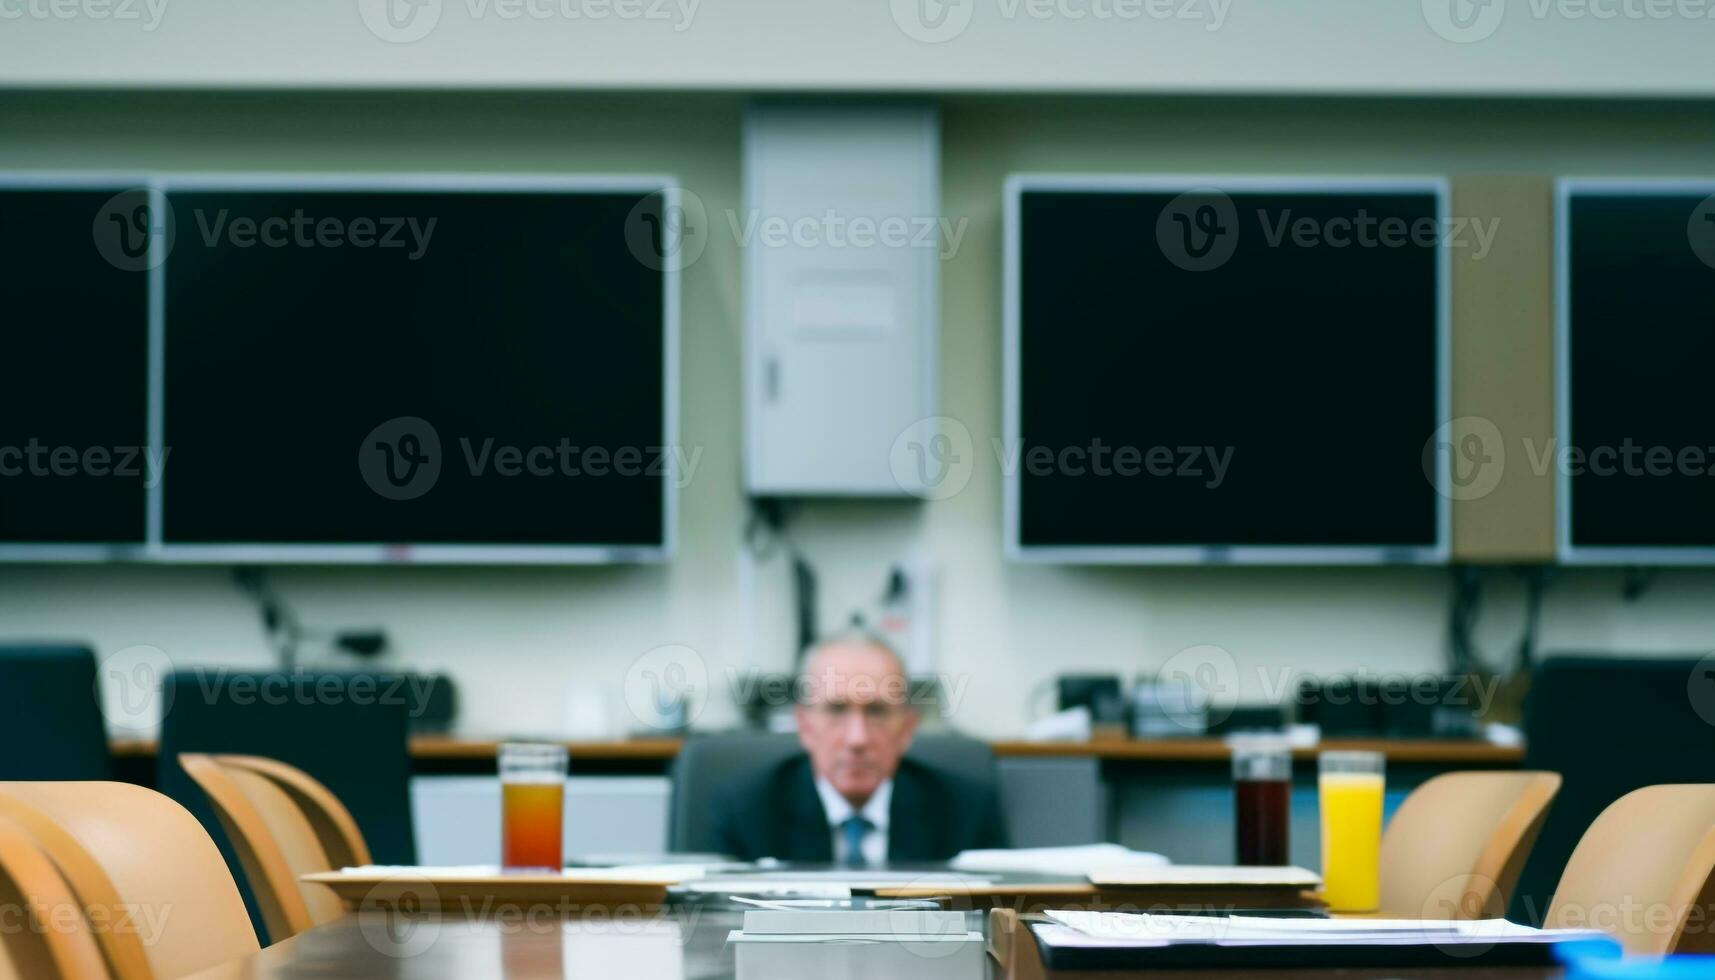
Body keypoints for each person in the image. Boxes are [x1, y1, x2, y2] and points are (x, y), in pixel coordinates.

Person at [705, 632, 1008, 865]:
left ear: (906, 728)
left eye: (877, 712)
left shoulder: (966, 812)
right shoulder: (745, 812)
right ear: (805, 725)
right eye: (836, 710)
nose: (857, 739)